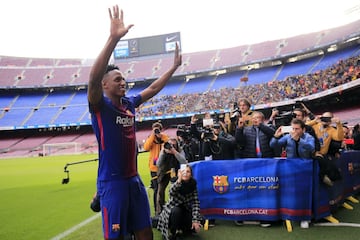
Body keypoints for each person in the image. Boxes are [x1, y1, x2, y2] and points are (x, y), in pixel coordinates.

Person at [87, 5, 182, 240]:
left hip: (134, 180)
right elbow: (92, 79)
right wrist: (112, 39)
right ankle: (100, 197)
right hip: (113, 183)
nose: (123, 83)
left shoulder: (128, 104)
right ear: (104, 84)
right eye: (118, 79)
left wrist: (174, 67)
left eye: (124, 79)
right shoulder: (100, 105)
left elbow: (152, 88)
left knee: (145, 232)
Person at [270, 119, 315, 229]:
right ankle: (290, 214)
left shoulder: (309, 137)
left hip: (305, 169)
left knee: (305, 193)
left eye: (297, 129)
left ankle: (305, 217)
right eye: (293, 128)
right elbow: (273, 145)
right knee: (290, 192)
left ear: (303, 129)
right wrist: (276, 136)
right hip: (290, 168)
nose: (294, 131)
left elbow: (312, 148)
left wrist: (299, 140)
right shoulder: (288, 137)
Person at [157, 165, 202, 240]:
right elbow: (171, 192)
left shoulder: (193, 184)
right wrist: (179, 180)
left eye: (188, 172)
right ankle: (173, 231)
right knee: (176, 212)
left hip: (185, 209)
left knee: (200, 219)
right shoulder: (175, 182)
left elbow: (195, 202)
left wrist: (195, 220)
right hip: (172, 210)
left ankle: (185, 229)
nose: (185, 173)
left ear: (191, 174)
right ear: (179, 173)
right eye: (183, 171)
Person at [306, 112, 344, 186]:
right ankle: (323, 177)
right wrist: (315, 120)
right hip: (312, 153)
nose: (325, 120)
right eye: (324, 117)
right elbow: (303, 126)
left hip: (323, 154)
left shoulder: (331, 129)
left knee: (335, 171)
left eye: (328, 118)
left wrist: (338, 124)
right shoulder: (314, 125)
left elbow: (339, 138)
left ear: (331, 120)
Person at [156, 138, 187, 215]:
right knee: (160, 192)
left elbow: (183, 161)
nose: (171, 146)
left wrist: (174, 152)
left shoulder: (179, 150)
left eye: (173, 145)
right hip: (163, 172)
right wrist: (163, 152)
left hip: (175, 172)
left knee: (175, 191)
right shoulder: (163, 150)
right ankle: (159, 212)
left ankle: (174, 210)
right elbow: (158, 164)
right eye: (170, 145)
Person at [144, 121, 169, 213]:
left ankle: (162, 206)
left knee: (162, 188)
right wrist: (152, 135)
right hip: (154, 168)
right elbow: (146, 147)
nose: (157, 131)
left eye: (158, 129)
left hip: (164, 167)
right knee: (156, 189)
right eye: (155, 129)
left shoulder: (164, 137)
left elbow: (168, 144)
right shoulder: (150, 138)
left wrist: (160, 136)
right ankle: (157, 209)